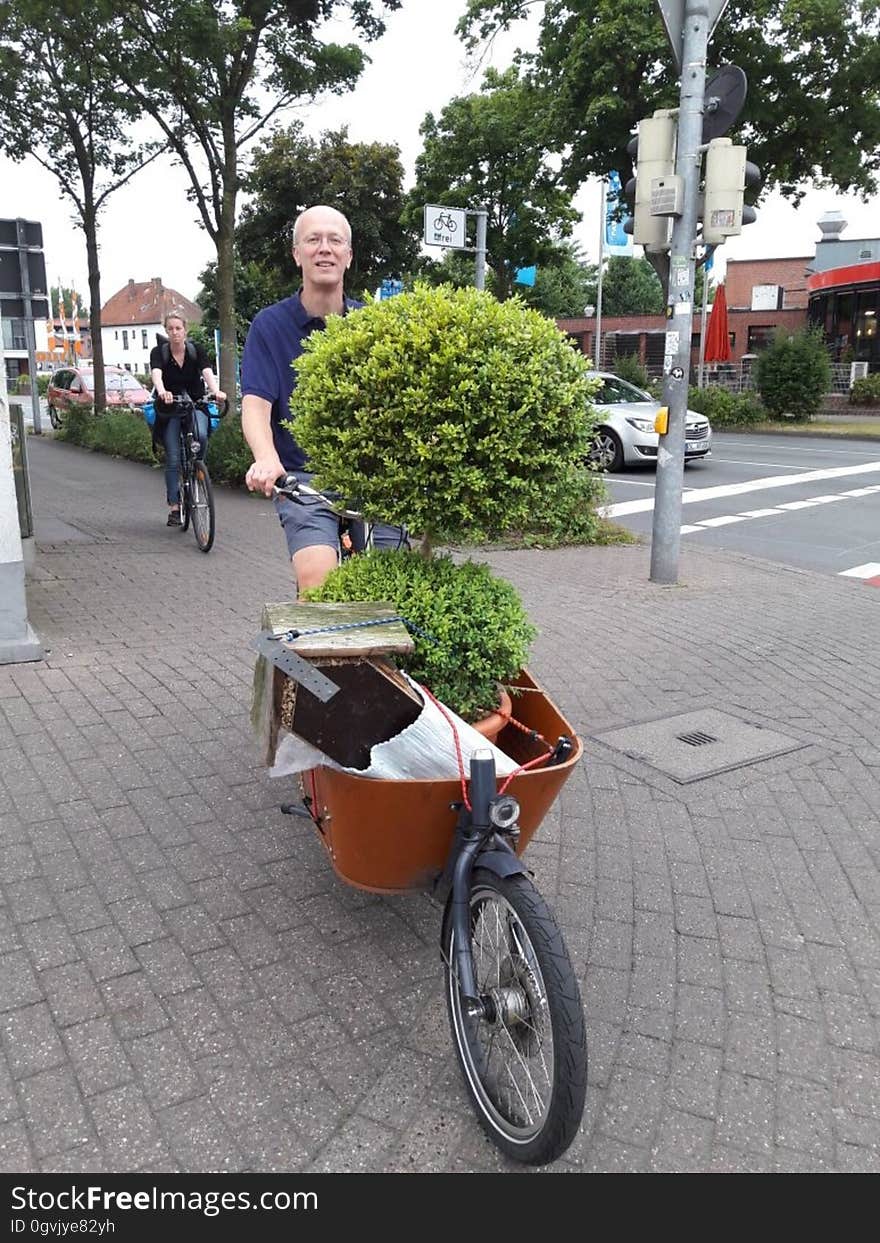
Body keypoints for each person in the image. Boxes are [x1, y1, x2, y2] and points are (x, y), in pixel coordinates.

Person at [241, 204, 406, 592]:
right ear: (297, 254)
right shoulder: (270, 326)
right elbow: (256, 405)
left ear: (349, 255)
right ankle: (314, 651)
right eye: (313, 240)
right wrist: (267, 460)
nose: (324, 248)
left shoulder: (375, 326)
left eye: (335, 240)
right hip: (305, 480)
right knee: (319, 579)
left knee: (397, 579)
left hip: (374, 481)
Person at [150, 312, 226, 526]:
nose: (175, 332)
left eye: (178, 328)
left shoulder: (196, 350)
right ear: (166, 331)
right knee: (173, 456)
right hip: (171, 406)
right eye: (171, 329)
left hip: (195, 402)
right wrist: (162, 390)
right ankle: (175, 507)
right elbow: (156, 373)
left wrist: (216, 391)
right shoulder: (159, 353)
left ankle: (196, 470)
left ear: (185, 330)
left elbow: (207, 371)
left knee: (201, 435)